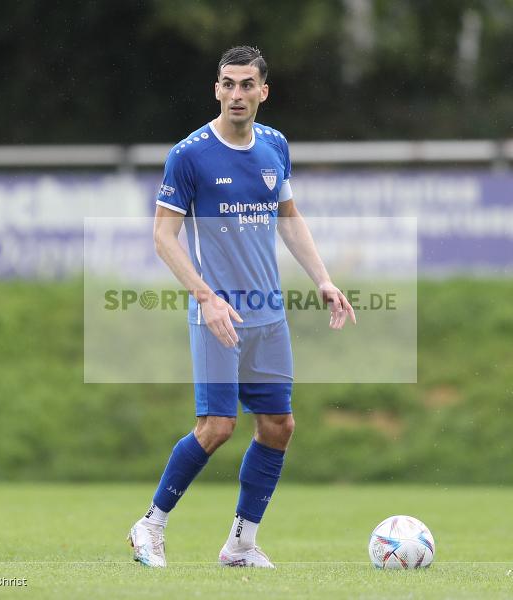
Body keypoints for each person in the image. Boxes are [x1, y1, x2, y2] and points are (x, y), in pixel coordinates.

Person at [128, 46, 355, 569]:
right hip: (218, 315)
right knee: (217, 427)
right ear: (216, 89)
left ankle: (240, 544)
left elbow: (290, 219)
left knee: (278, 424)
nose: (236, 94)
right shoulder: (189, 155)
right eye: (227, 84)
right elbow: (164, 237)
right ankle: (150, 525)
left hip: (269, 315)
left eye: (246, 84)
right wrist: (205, 298)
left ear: (263, 92)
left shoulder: (274, 145)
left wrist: (322, 278)